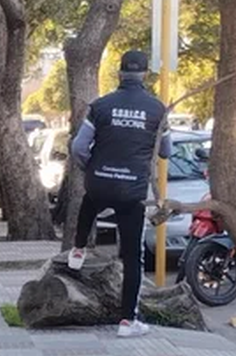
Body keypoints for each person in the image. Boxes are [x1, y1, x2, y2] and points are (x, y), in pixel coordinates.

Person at [68, 50, 168, 339]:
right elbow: (166, 151)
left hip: (99, 181)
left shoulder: (100, 106)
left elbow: (78, 147)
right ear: (145, 75)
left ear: (119, 74)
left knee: (90, 202)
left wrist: (91, 168)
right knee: (132, 257)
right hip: (133, 192)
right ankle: (127, 321)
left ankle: (78, 248)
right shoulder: (158, 110)